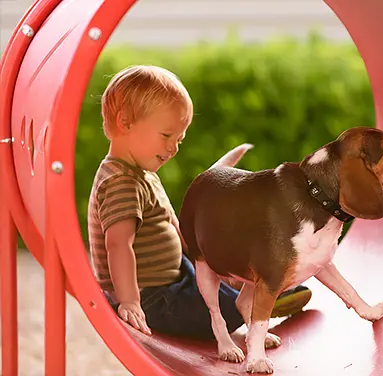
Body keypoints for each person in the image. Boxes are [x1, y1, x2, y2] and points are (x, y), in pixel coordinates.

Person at [86, 64, 312, 339]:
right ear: (125, 123)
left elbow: (170, 222)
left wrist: (205, 258)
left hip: (176, 274)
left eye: (179, 139)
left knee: (216, 273)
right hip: (155, 297)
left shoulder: (139, 172)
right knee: (222, 308)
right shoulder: (119, 182)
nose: (173, 147)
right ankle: (258, 300)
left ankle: (254, 285)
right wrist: (130, 301)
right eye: (166, 135)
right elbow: (118, 245)